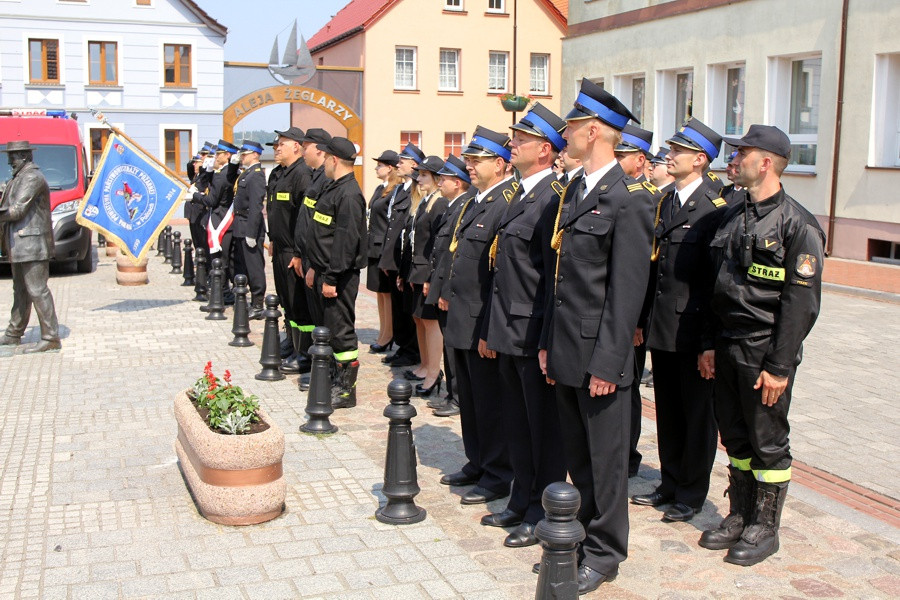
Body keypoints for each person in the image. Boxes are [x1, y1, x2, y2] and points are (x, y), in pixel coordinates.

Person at [538, 79, 654, 594]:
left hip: (600, 356)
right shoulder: (576, 191)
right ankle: (579, 537)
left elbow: (626, 293)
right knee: (578, 455)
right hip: (566, 346)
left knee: (606, 463)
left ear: (592, 132)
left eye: (571, 127)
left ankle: (606, 552)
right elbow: (559, 278)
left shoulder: (629, 201)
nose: (564, 135)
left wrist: (609, 363)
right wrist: (547, 341)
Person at [698, 124, 824, 566]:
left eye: (742, 154)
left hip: (763, 348)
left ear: (765, 163)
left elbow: (800, 305)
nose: (733, 161)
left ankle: (765, 526)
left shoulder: (797, 224)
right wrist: (709, 344)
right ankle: (740, 513)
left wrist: (779, 366)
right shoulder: (734, 213)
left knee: (767, 440)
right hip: (727, 343)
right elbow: (716, 286)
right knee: (735, 435)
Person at [631, 118, 728, 523]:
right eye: (671, 149)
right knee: (669, 411)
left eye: (678, 151)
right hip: (663, 327)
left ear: (700, 159)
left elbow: (714, 284)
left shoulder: (714, 209)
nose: (669, 156)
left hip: (693, 330)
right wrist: (641, 320)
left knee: (697, 416)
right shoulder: (666, 200)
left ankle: (691, 492)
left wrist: (710, 343)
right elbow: (654, 270)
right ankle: (669, 483)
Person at [480, 104, 568, 548]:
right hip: (508, 328)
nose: (512, 144)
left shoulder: (553, 197)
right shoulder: (520, 193)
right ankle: (520, 499)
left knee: (543, 430)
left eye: (521, 140)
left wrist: (548, 338)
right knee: (516, 422)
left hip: (532, 331)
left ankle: (541, 510)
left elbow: (552, 278)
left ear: (545, 150)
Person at [438, 126, 517, 506]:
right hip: (463, 319)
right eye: (469, 159)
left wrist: (490, 328)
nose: (469, 165)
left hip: (482, 321)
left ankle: (498, 472)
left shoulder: (505, 202)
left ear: (499, 164)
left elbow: (500, 275)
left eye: (477, 160)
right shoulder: (475, 201)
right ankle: (478, 461)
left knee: (490, 404)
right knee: (469, 400)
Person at [305, 137, 367, 409]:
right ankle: (331, 378)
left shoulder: (349, 194)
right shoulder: (333, 187)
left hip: (338, 276)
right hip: (323, 271)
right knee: (328, 329)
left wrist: (331, 278)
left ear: (334, 160)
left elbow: (345, 242)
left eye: (326, 158)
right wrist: (314, 267)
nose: (324, 164)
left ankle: (345, 390)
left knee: (341, 332)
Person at [615, 123, 658, 478]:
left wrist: (638, 321)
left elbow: (646, 270)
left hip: (634, 318)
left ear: (640, 160)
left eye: (622, 155)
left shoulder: (649, 197)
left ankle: (627, 455)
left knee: (627, 387)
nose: (616, 160)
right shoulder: (615, 192)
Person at [0, 140, 61, 353]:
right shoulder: (17, 178)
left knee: (37, 290)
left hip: (32, 244)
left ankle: (51, 337)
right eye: (9, 156)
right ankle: (14, 333)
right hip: (19, 244)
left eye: (13, 157)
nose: (10, 161)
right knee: (20, 290)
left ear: (25, 157)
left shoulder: (32, 178)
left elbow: (17, 210)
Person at [425, 155, 474, 417]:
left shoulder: (463, 207)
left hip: (451, 291)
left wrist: (444, 291)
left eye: (444, 179)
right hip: (441, 285)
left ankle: (458, 397)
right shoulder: (453, 207)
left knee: (454, 348)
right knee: (448, 346)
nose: (440, 183)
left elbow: (454, 255)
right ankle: (452, 394)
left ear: (457, 183)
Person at [400, 156, 449, 397]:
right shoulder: (425, 202)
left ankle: (433, 372)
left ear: (437, 179)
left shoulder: (439, 204)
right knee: (418, 318)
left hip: (426, 271)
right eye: (418, 174)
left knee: (430, 322)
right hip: (417, 270)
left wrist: (430, 276)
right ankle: (424, 364)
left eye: (424, 175)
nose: (418, 179)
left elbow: (436, 245)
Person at [266, 127, 312, 372]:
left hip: (294, 251)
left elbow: (304, 219)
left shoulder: (302, 174)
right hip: (280, 247)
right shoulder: (279, 174)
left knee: (298, 303)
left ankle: (304, 352)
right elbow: (275, 213)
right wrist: (272, 238)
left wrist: (298, 253)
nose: (277, 148)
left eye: (281, 144)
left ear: (296, 146)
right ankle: (293, 343)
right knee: (287, 300)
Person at [294, 128, 334, 391]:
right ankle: (320, 368)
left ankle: (327, 371)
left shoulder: (326, 180)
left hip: (319, 260)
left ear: (319, 149)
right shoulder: (316, 177)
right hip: (308, 256)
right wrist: (300, 253)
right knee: (316, 316)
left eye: (305, 146)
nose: (302, 151)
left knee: (325, 320)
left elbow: (324, 228)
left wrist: (315, 263)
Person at [380, 143, 424, 368]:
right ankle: (402, 346)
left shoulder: (417, 189)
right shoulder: (399, 189)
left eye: (402, 161)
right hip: (393, 255)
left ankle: (411, 350)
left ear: (414, 164)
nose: (398, 165)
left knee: (407, 308)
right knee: (398, 307)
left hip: (405, 256)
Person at [191, 139, 240, 304]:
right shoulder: (223, 173)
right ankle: (223, 291)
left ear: (227, 156)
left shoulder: (223, 175)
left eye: (219, 154)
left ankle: (223, 293)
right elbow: (205, 184)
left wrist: (195, 196)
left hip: (221, 219)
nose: (216, 156)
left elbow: (211, 200)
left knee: (219, 259)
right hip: (224, 218)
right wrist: (208, 171)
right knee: (223, 259)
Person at [366, 150, 402, 353]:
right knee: (380, 292)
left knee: (387, 294)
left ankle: (389, 334)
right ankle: (383, 332)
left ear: (389, 168)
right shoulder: (380, 188)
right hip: (374, 246)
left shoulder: (395, 190)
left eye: (379, 165)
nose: (376, 168)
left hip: (384, 248)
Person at [231, 140, 268, 317]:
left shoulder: (257, 175)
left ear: (255, 154)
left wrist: (252, 233)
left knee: (254, 267)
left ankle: (258, 303)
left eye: (244, 154)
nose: (242, 157)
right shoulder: (247, 173)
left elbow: (256, 206)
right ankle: (248, 300)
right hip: (240, 224)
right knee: (243, 264)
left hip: (249, 225)